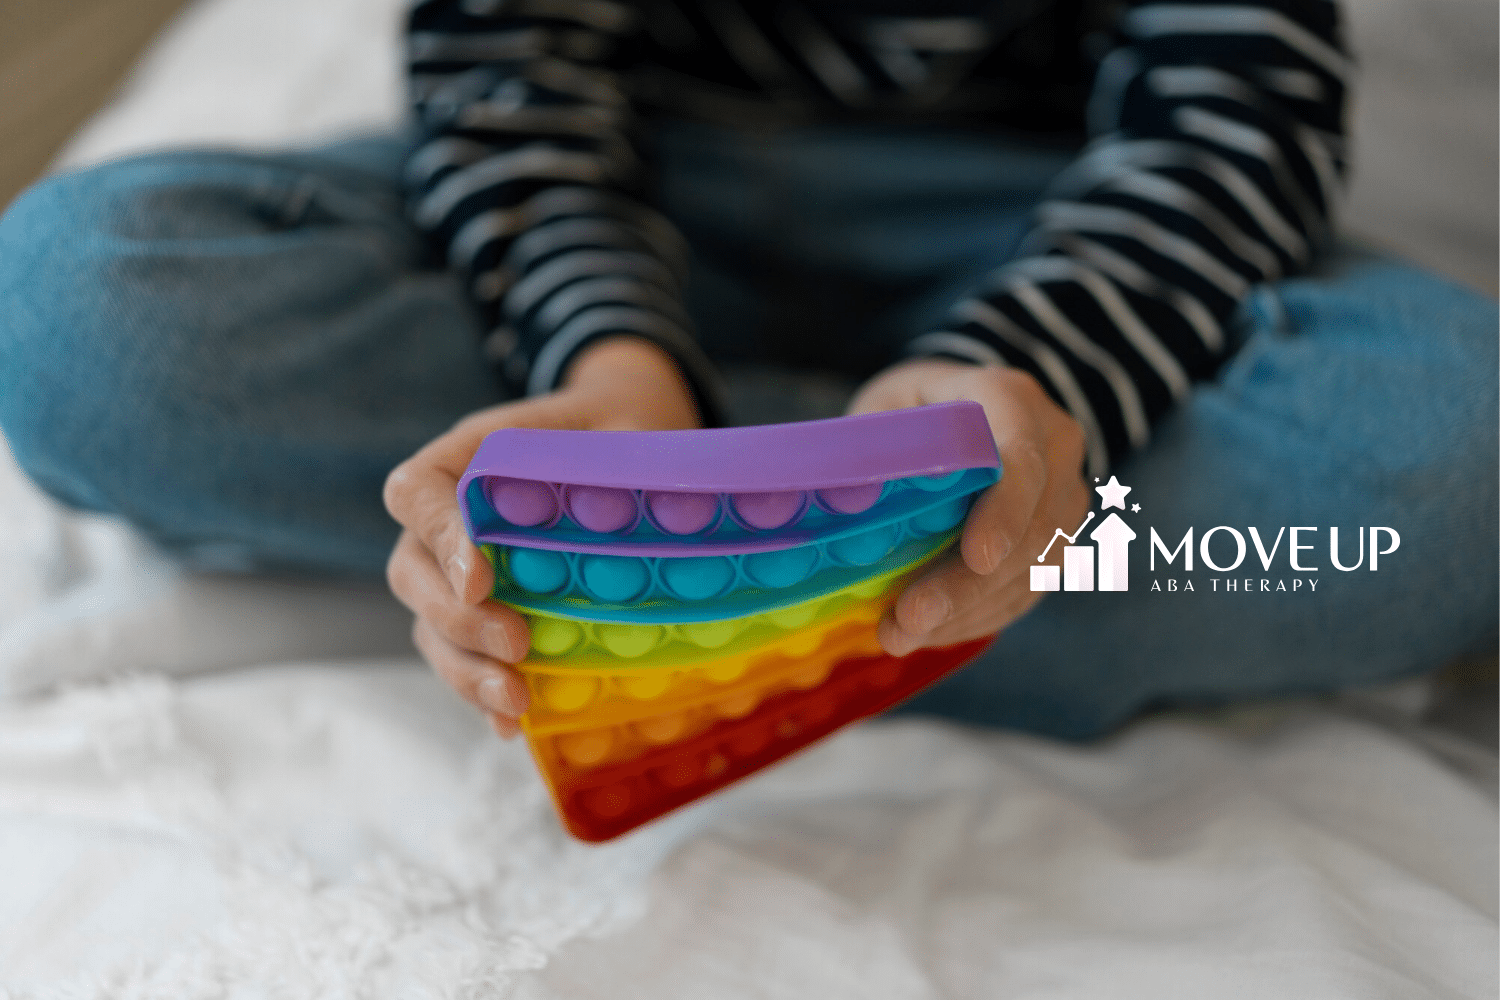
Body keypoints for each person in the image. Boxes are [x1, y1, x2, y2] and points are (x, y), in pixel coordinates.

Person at [0, 0, 1494, 741]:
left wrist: (1026, 364)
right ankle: (896, 562)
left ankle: (672, 576)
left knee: (1459, 454)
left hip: (1047, 212)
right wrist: (606, 358)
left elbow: (1230, 125)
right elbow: (509, 74)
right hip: (636, 189)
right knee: (82, 312)